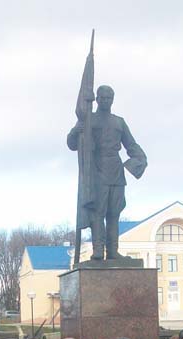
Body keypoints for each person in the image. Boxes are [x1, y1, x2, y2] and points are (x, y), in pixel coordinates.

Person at [67, 84, 147, 261]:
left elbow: (131, 145)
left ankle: (112, 251)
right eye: (102, 97)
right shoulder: (89, 119)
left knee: (114, 213)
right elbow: (72, 144)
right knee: (98, 212)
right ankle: (98, 250)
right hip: (96, 171)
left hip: (116, 171)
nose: (105, 101)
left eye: (108, 98)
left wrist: (140, 159)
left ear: (113, 100)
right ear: (96, 99)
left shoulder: (119, 122)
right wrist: (76, 131)